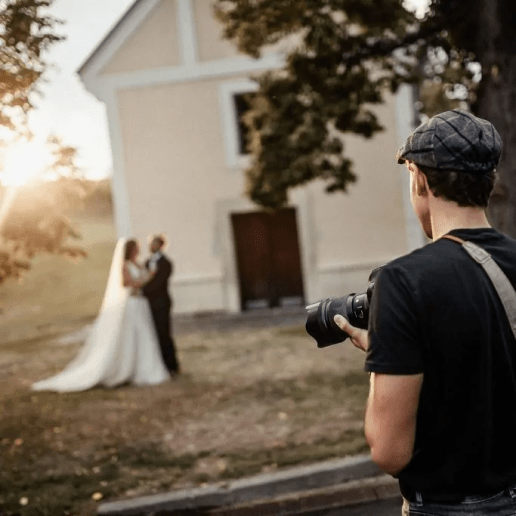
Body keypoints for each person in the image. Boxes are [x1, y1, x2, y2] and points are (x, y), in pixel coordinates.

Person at [334, 109, 516, 515]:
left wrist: (382, 353)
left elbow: (389, 451)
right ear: (488, 181)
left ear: (418, 178)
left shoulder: (401, 281)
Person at [32, 238, 170, 392]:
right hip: (132, 304)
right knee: (132, 335)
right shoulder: (125, 266)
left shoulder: (138, 264)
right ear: (130, 250)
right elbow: (127, 283)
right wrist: (148, 278)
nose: (139, 250)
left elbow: (143, 276)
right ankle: (127, 369)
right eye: (136, 248)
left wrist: (147, 277)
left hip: (141, 304)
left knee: (145, 336)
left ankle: (145, 369)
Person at [142, 235, 180, 374]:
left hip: (161, 302)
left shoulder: (166, 263)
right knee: (153, 334)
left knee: (164, 333)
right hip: (149, 303)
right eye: (151, 243)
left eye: (154, 243)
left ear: (160, 245)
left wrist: (143, 290)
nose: (151, 245)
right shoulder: (147, 262)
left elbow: (159, 283)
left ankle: (171, 365)